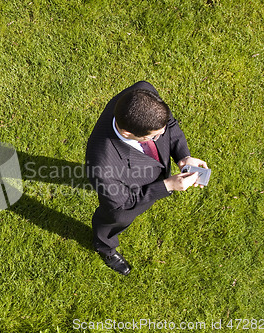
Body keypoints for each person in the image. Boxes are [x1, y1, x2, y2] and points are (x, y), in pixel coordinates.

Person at [85, 81, 208, 275]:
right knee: (113, 218)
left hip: (128, 176)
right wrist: (167, 185)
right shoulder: (103, 166)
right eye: (154, 137)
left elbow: (170, 125)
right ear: (127, 133)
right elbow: (124, 202)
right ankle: (105, 246)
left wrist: (183, 155)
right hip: (122, 198)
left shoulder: (145, 94)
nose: (161, 135)